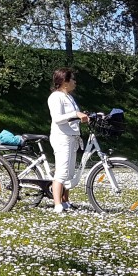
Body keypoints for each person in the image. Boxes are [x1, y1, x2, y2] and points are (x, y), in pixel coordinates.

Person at [48, 66, 90, 214]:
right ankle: (57, 204)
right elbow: (57, 118)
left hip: (72, 137)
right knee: (62, 172)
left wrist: (82, 116)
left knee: (70, 173)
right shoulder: (55, 97)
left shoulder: (69, 97)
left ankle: (66, 201)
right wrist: (75, 114)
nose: (75, 82)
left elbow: (72, 116)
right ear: (64, 82)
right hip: (62, 138)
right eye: (72, 79)